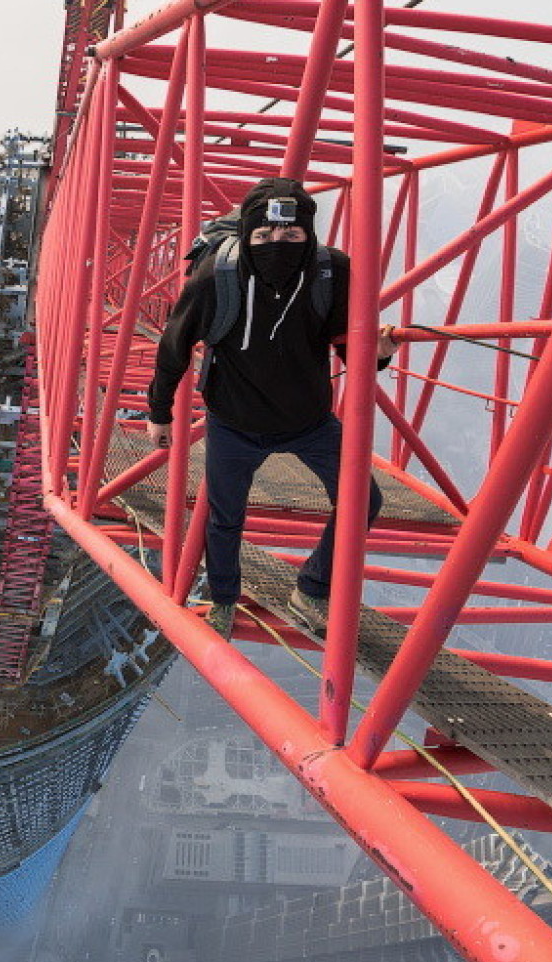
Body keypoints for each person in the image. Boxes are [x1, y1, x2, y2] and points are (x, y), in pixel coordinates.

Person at [144, 177, 396, 639]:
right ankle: (223, 599)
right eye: (263, 236)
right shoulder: (216, 277)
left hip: (309, 422)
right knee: (225, 518)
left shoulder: (333, 272)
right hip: (234, 422)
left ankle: (312, 588)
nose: (277, 244)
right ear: (246, 236)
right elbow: (174, 345)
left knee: (365, 501)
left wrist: (378, 354)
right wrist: (159, 413)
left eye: (291, 235)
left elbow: (352, 352)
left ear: (309, 236)